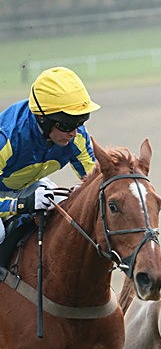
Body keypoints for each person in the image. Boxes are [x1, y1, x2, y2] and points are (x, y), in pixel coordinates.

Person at [0, 66, 100, 271]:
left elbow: (97, 180)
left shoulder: (77, 135)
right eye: (66, 124)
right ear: (42, 118)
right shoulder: (6, 138)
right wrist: (20, 204)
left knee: (63, 209)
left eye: (80, 121)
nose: (74, 132)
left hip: (25, 186)